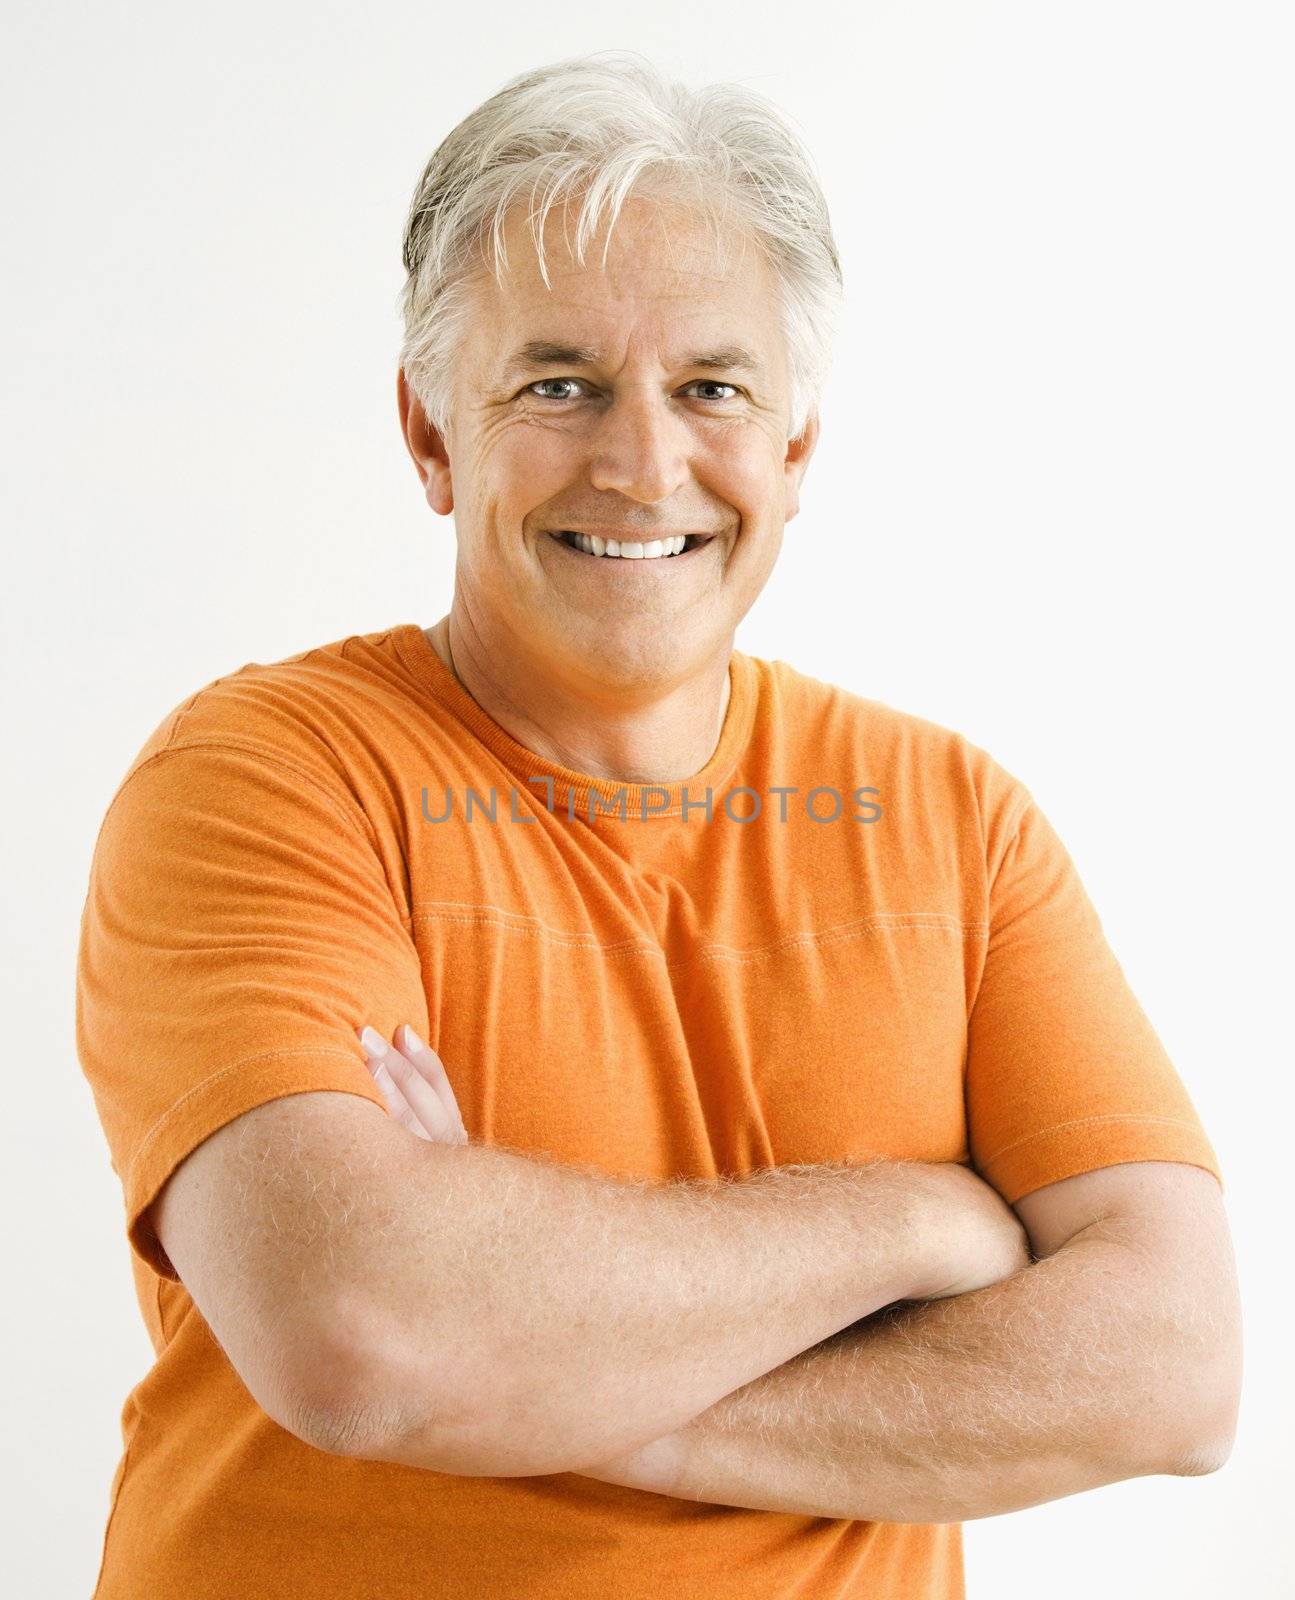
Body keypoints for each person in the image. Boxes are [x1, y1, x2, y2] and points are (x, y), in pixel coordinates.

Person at [75, 50, 1240, 1600]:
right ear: (430, 434)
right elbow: (365, 1336)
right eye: (557, 383)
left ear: (796, 446)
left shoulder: (958, 823)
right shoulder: (267, 781)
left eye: (713, 388)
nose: (643, 461)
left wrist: (535, 1375)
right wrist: (912, 1221)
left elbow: (1173, 1369)